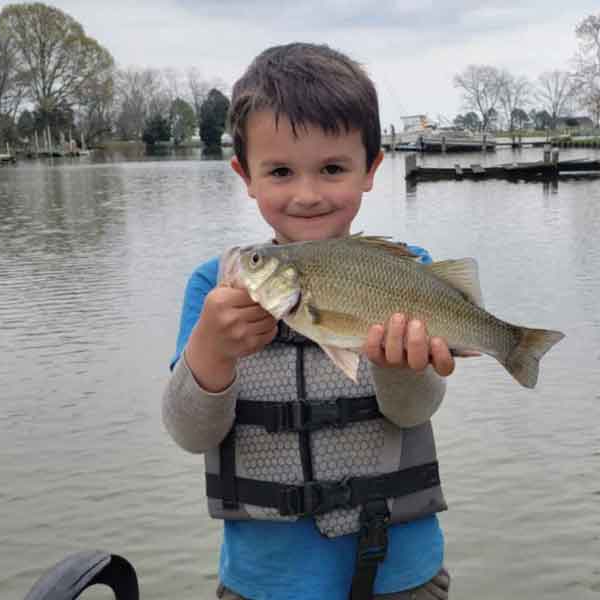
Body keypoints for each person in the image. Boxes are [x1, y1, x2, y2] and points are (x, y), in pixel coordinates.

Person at [163, 42, 453, 600]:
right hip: (265, 584)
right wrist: (211, 351)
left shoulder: (407, 272)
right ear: (244, 174)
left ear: (371, 169)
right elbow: (189, 433)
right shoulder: (214, 288)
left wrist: (398, 367)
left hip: (403, 576)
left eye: (332, 168)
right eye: (279, 171)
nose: (308, 194)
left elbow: (413, 410)